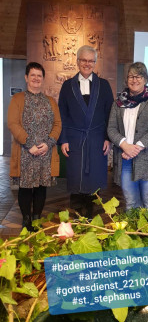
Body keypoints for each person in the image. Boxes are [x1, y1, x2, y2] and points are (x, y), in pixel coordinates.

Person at [58, 45, 114, 217]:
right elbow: (62, 114)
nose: (87, 64)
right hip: (75, 138)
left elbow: (110, 114)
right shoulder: (67, 86)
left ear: (95, 63)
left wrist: (107, 138)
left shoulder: (103, 85)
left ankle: (90, 213)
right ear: (77, 61)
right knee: (76, 175)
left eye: (91, 61)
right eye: (84, 60)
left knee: (93, 177)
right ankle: (76, 214)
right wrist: (64, 139)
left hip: (97, 139)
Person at [8, 62, 61, 231]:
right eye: (33, 75)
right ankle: (26, 219)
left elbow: (58, 124)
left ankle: (37, 218)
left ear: (43, 79)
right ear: (26, 78)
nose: (36, 78)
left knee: (40, 187)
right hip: (25, 152)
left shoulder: (51, 101)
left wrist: (48, 143)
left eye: (39, 75)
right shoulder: (17, 99)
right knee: (25, 187)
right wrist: (29, 144)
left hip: (45, 152)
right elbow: (13, 123)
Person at [107, 62, 148, 210]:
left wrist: (138, 146)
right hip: (125, 159)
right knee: (131, 204)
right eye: (131, 76)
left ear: (145, 79)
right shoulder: (118, 103)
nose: (135, 80)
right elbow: (111, 128)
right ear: (127, 79)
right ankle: (132, 234)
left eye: (139, 76)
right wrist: (124, 145)